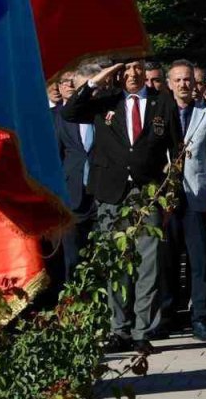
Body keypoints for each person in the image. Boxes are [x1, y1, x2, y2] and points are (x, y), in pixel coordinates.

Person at [60, 59, 182, 355]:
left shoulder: (161, 102)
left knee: (147, 265)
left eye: (137, 68)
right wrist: (98, 79)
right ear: (118, 74)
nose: (132, 74)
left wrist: (170, 195)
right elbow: (71, 111)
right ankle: (119, 328)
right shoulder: (105, 100)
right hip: (111, 192)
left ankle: (142, 330)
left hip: (147, 193)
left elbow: (177, 152)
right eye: (125, 69)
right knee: (117, 263)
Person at [167, 60, 206, 343]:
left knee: (199, 262)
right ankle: (165, 316)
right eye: (177, 80)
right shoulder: (161, 113)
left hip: (197, 198)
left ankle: (200, 318)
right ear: (169, 84)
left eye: (188, 79)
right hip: (166, 199)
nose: (183, 85)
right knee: (166, 260)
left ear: (195, 83)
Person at [53, 63, 101, 284]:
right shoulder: (57, 116)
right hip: (71, 194)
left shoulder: (100, 111)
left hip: (101, 192)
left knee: (100, 253)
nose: (72, 86)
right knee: (72, 256)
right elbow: (53, 155)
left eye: (75, 82)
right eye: (67, 82)